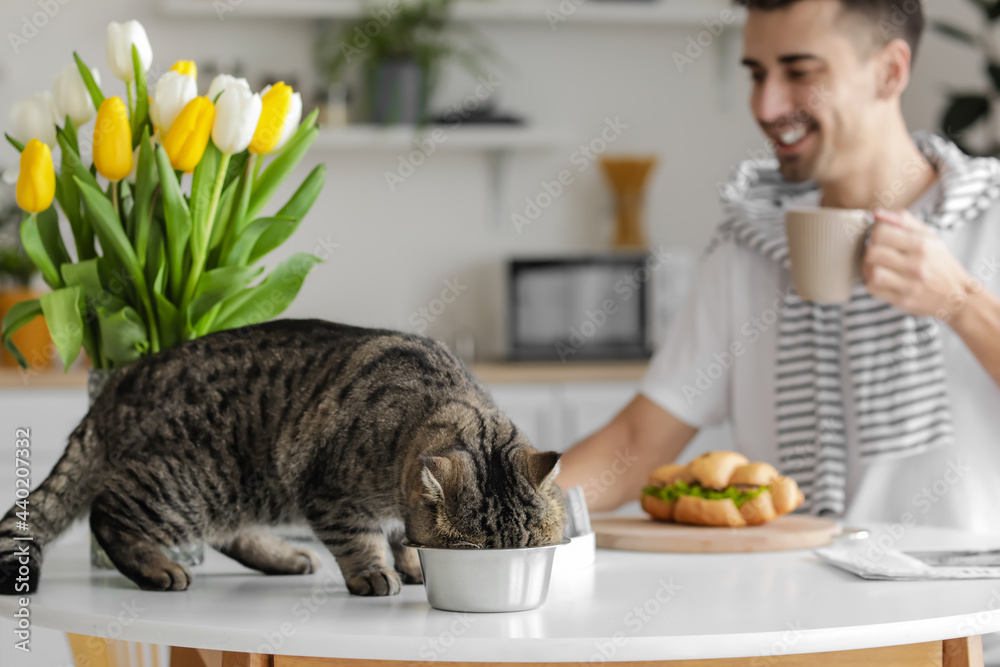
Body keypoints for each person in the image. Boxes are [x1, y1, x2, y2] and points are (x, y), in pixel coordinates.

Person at [557, 0, 1000, 532]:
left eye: (799, 73)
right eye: (757, 74)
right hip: (800, 601)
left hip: (970, 607)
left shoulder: (990, 215)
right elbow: (634, 446)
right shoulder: (748, 247)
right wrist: (486, 517)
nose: (767, 106)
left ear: (890, 71)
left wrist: (961, 302)